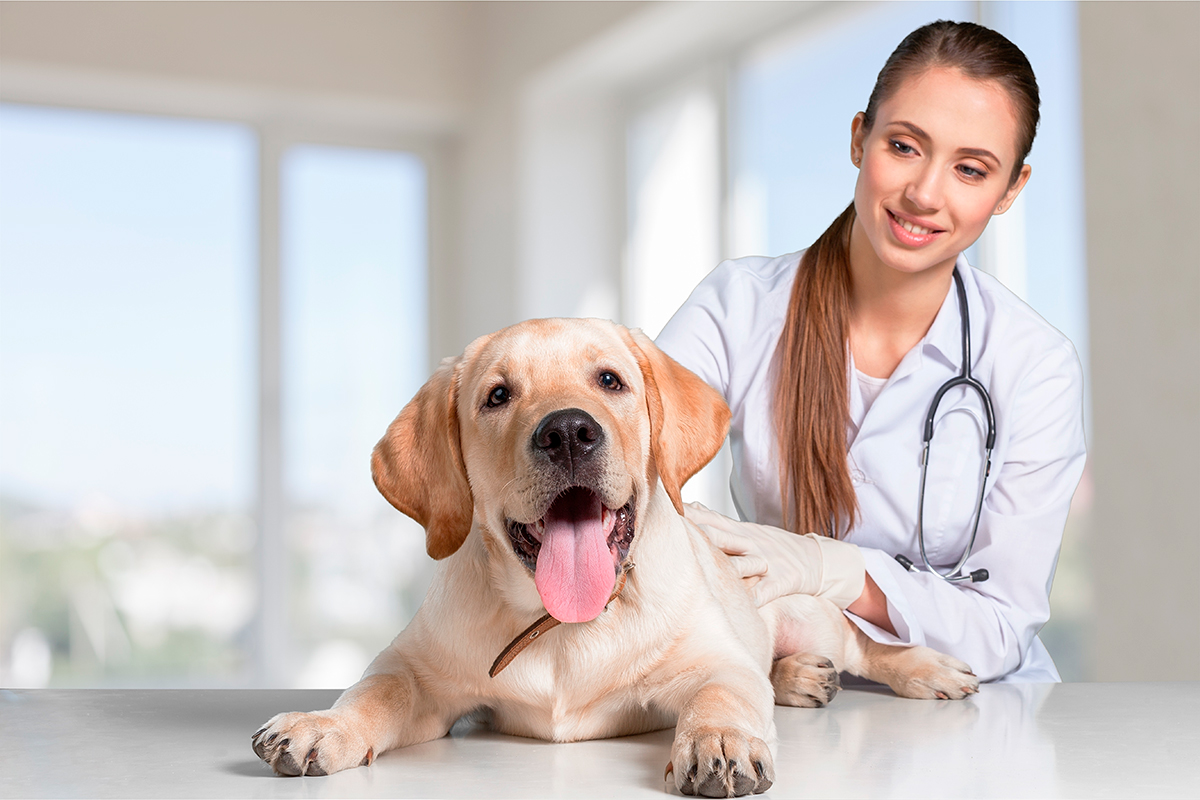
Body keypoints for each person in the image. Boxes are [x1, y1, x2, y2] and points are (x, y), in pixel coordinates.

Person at [656, 20, 1086, 683]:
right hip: (788, 689)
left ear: (1010, 192)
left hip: (975, 712)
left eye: (971, 169)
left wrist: (835, 572)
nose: (925, 193)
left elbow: (1000, 627)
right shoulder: (739, 308)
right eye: (905, 146)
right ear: (860, 138)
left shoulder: (1033, 365)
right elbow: (628, 470)